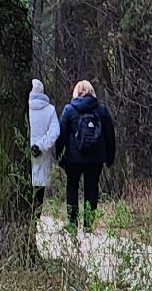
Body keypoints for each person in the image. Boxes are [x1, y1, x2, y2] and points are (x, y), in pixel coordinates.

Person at [55, 80, 116, 232]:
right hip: (96, 158)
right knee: (92, 189)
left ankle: (72, 223)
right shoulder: (101, 110)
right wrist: (110, 157)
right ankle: (88, 225)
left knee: (72, 188)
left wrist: (60, 156)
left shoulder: (69, 109)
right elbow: (110, 135)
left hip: (73, 158)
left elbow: (61, 135)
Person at [27, 79, 60, 212]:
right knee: (39, 190)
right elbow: (55, 132)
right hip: (42, 155)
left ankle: (23, 223)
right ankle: (35, 221)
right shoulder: (50, 110)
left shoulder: (24, 108)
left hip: (25, 153)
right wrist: (40, 146)